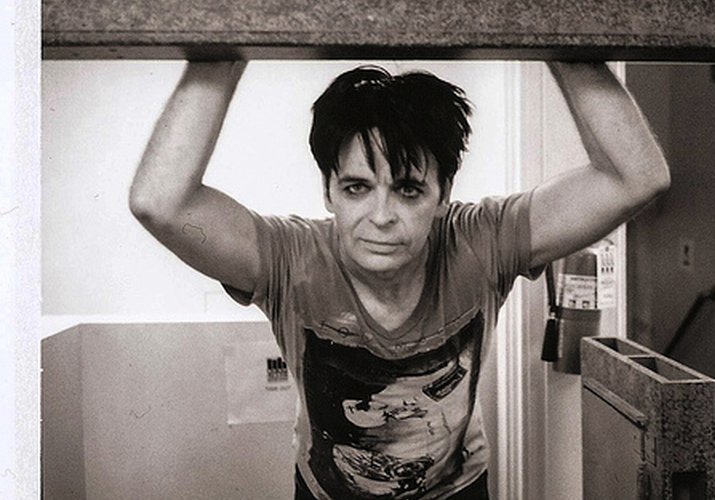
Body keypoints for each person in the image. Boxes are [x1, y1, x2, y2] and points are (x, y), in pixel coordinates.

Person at [129, 61, 669, 500]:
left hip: (457, 491)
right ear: (328, 191)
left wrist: (562, 42)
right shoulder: (291, 258)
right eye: (357, 188)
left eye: (408, 190)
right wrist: (225, 50)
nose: (382, 217)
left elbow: (636, 178)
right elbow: (160, 202)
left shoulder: (482, 242)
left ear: (443, 192)